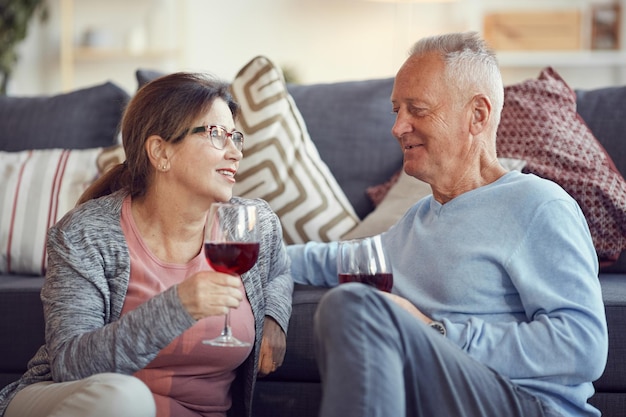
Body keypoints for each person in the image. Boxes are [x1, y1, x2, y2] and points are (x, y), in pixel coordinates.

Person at [287, 32, 608, 417]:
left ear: (477, 115)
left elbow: (582, 346)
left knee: (353, 304)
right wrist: (226, 253)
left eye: (417, 109)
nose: (398, 127)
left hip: (529, 406)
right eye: (396, 111)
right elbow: (329, 259)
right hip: (446, 399)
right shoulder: (417, 220)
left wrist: (437, 332)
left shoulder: (538, 204)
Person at [0, 72, 293, 417]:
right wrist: (178, 307)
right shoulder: (86, 233)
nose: (235, 152)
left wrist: (275, 316)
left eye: (235, 137)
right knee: (125, 398)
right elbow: (70, 364)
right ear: (160, 151)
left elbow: (279, 270)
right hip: (74, 403)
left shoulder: (252, 225)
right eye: (216, 134)